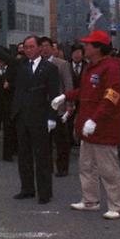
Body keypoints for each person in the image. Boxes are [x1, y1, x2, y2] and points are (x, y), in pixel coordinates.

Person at [51, 30, 120, 219]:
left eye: (88, 45)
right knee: (86, 167)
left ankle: (118, 206)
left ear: (98, 48)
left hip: (103, 128)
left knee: (109, 169)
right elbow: (84, 90)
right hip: (87, 128)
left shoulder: (110, 67)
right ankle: (90, 200)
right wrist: (65, 96)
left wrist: (95, 119)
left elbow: (112, 96)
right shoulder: (90, 67)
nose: (84, 48)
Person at [0, 27, 59, 204]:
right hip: (21, 116)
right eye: (26, 47)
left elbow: (54, 95)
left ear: (40, 48)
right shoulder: (20, 64)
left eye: (31, 46)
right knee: (24, 155)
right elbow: (4, 56)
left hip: (40, 118)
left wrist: (52, 117)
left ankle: (45, 192)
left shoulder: (50, 68)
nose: (28, 50)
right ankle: (27, 188)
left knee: (41, 156)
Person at [38, 36, 74, 177]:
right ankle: (47, 166)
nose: (44, 49)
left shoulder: (62, 64)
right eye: (42, 46)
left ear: (53, 48)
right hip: (42, 108)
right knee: (44, 141)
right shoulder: (37, 64)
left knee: (61, 141)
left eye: (47, 46)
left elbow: (68, 85)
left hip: (58, 108)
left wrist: (69, 104)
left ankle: (62, 167)